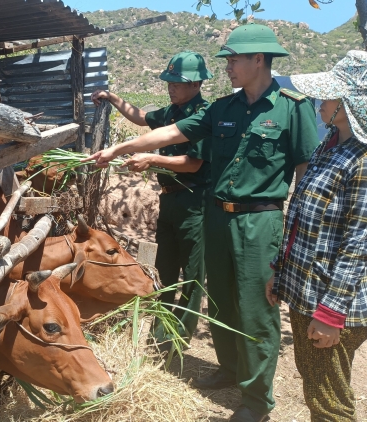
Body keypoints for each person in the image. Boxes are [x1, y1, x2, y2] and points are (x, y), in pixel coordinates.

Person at [84, 23, 321, 422]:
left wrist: (296, 241)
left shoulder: (292, 108)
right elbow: (169, 132)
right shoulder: (223, 109)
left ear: (258, 60)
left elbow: (305, 175)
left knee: (256, 311)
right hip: (216, 216)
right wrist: (118, 147)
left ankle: (257, 402)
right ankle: (230, 369)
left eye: (233, 59)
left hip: (259, 222)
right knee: (225, 303)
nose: (227, 66)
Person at [266, 51, 367, 421]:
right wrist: (281, 272)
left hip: (333, 304)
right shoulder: (333, 145)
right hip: (309, 292)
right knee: (317, 390)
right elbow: (302, 219)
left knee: (329, 403)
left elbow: (359, 245)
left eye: (329, 96)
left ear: (351, 104)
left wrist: (330, 314)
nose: (320, 103)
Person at [91, 51, 213, 348]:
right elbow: (140, 116)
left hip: (195, 203)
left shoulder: (204, 116)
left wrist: (153, 160)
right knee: (166, 270)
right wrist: (111, 97)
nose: (171, 87)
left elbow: (193, 163)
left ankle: (177, 343)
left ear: (196, 84)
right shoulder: (171, 112)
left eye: (178, 82)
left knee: (192, 277)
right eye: (169, 81)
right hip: (170, 201)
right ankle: (158, 336)